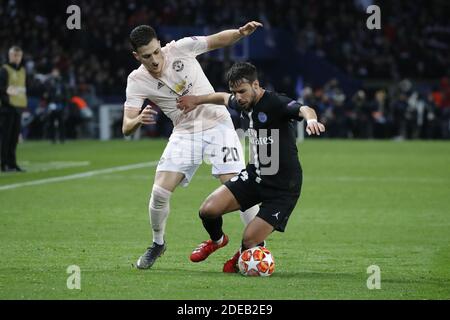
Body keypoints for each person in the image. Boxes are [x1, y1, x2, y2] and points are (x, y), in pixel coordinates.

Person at [122, 22, 263, 269]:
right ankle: (158, 243)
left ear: (160, 45)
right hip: (185, 133)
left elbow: (217, 39)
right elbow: (126, 126)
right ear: (137, 56)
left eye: (156, 51)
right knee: (159, 192)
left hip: (218, 124)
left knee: (240, 189)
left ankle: (257, 249)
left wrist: (239, 34)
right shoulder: (136, 80)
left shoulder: (180, 48)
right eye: (147, 56)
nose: (155, 60)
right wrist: (137, 120)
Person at [176, 62, 325, 272]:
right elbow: (221, 98)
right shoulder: (242, 102)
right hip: (254, 177)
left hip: (282, 188)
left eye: (242, 91)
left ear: (256, 85)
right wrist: (196, 100)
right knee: (207, 210)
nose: (238, 97)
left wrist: (311, 120)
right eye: (235, 92)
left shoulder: (275, 103)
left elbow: (303, 108)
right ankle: (217, 240)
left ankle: (242, 255)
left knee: (249, 240)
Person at [0, 46, 28, 172]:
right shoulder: (4, 70)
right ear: (10, 56)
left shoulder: (22, 70)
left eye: (19, 55)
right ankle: (4, 163)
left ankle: (12, 163)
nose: (17, 58)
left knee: (14, 137)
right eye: (14, 55)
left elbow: (22, 89)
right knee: (5, 138)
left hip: (18, 108)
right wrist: (8, 103)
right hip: (7, 108)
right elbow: (1, 89)